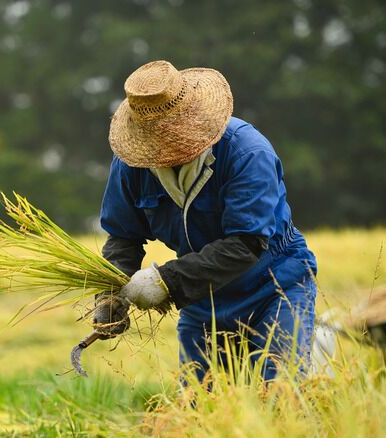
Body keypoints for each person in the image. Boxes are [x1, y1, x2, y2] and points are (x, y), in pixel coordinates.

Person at [94, 60, 317, 383]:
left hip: (274, 287)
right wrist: (109, 294)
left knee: (279, 395)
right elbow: (123, 237)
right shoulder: (132, 164)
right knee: (201, 406)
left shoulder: (246, 153)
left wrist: (165, 282)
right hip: (203, 300)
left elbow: (246, 244)